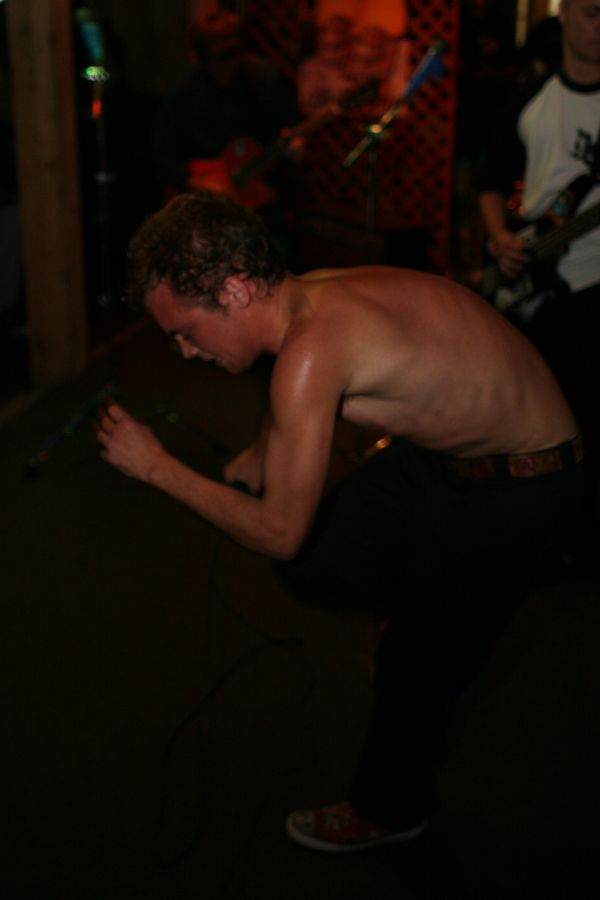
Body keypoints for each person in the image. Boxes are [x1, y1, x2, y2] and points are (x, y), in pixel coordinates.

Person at [96, 190, 583, 852]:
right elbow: (291, 391)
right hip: (442, 460)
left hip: (524, 485)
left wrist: (157, 468)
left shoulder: (310, 352)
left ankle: (389, 810)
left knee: (413, 668)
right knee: (327, 555)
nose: (184, 351)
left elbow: (278, 532)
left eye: (186, 331)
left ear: (235, 290)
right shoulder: (306, 293)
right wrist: (261, 453)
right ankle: (417, 606)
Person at [477, 0, 600, 564]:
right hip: (534, 279)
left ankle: (578, 544)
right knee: (529, 415)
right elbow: (491, 178)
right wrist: (500, 237)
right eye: (592, 11)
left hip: (592, 285)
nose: (599, 26)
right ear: (566, 14)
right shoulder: (531, 97)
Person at [151, 10, 298, 220]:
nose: (226, 50)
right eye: (218, 43)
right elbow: (163, 158)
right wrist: (197, 182)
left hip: (257, 199)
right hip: (204, 207)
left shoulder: (263, 79)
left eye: (231, 40)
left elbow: (286, 129)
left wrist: (293, 145)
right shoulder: (183, 93)